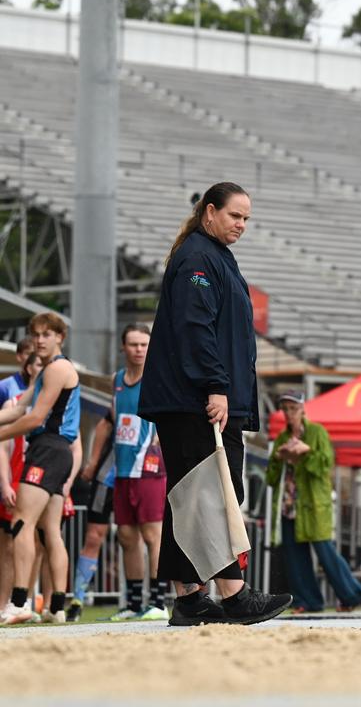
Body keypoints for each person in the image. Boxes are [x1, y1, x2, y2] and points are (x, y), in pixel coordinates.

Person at [138, 181, 292, 626]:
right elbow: (194, 327)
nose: (241, 224)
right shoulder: (198, 257)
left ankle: (188, 598)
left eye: (247, 218)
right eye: (234, 215)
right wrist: (215, 385)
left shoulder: (214, 256)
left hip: (202, 396)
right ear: (210, 212)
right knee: (212, 494)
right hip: (196, 399)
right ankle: (234, 594)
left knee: (193, 497)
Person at [75, 324, 169, 622]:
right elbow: (109, 421)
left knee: (153, 535)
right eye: (134, 344)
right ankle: (132, 602)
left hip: (149, 468)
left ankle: (157, 601)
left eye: (144, 344)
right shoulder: (116, 380)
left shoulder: (159, 377)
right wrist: (92, 461)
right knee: (127, 537)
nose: (139, 350)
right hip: (122, 470)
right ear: (123, 347)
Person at [0, 313, 81, 624]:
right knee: (51, 532)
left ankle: (20, 602)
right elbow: (20, 408)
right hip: (55, 451)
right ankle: (56, 606)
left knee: (21, 523)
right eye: (36, 334)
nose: (40, 339)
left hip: (48, 448)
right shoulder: (47, 370)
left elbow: (34, 419)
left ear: (60, 337)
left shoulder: (58, 368)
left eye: (47, 334)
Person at [266, 392, 361, 614]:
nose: (288, 413)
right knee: (294, 556)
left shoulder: (317, 432)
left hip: (314, 505)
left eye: (293, 408)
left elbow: (325, 466)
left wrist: (306, 452)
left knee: (325, 552)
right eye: (285, 409)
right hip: (288, 505)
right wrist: (279, 457)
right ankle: (307, 600)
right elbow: (271, 478)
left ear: (303, 409)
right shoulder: (281, 438)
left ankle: (351, 595)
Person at [0, 351, 41, 612]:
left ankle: (29, 602)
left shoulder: (57, 396)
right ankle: (7, 603)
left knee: (37, 540)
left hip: (41, 474)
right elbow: (4, 444)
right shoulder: (11, 395)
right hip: (15, 477)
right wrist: (4, 483)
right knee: (10, 543)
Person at [0, 336, 35, 405]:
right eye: (29, 354)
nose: (33, 358)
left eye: (35, 354)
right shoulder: (4, 386)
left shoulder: (47, 384)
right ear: (19, 356)